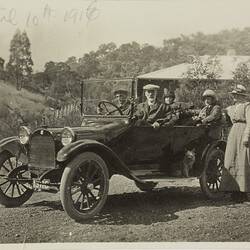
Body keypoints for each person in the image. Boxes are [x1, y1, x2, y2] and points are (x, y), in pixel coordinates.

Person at [220, 84, 250, 202]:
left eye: (237, 95)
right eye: (234, 95)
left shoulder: (247, 106)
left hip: (243, 132)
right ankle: (233, 189)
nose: (235, 97)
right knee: (231, 158)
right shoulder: (230, 108)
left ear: (242, 96)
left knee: (243, 159)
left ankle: (243, 190)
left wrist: (247, 136)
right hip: (233, 133)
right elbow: (226, 121)